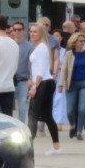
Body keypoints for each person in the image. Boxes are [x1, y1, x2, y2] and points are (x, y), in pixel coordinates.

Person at [27, 23, 60, 154]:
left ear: (41, 33)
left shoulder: (41, 47)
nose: (32, 34)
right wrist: (33, 81)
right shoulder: (41, 47)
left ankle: (28, 146)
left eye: (35, 32)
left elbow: (40, 70)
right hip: (45, 82)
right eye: (31, 31)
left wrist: (35, 86)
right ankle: (56, 146)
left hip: (43, 83)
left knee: (33, 115)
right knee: (47, 115)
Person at [58, 32, 85, 140]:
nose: (83, 43)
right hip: (71, 84)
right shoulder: (69, 54)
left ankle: (79, 132)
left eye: (83, 41)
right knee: (70, 110)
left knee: (81, 109)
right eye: (80, 41)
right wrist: (61, 84)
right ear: (74, 42)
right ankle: (73, 125)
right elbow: (64, 70)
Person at [10, 21, 31, 127]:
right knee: (8, 105)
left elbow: (31, 65)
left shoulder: (29, 46)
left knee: (22, 105)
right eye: (15, 30)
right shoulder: (9, 44)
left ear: (24, 31)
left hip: (23, 80)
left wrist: (30, 80)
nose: (17, 32)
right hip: (9, 79)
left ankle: (21, 127)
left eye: (19, 29)